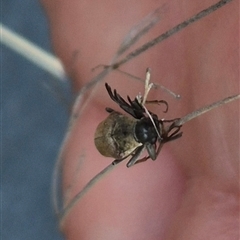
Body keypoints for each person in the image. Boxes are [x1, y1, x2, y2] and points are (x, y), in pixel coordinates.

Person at [41, 1, 239, 239]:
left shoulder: (137, 120)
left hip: (117, 135)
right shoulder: (139, 127)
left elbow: (129, 114)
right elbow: (141, 139)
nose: (154, 119)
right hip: (115, 137)